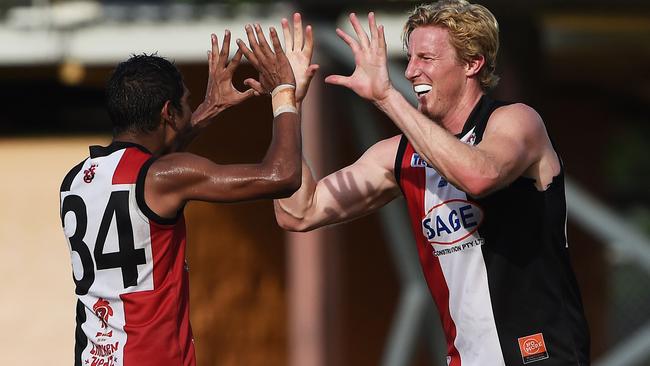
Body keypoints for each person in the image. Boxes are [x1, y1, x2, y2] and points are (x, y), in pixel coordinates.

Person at [274, 2, 590, 365]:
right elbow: (298, 212)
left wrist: (386, 97)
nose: (410, 71)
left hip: (541, 355)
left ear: (473, 64)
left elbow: (479, 175)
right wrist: (287, 105)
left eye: (426, 58)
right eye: (409, 58)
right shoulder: (399, 155)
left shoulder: (516, 121)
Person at [59, 25, 300, 366]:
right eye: (187, 104)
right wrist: (284, 91)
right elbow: (283, 175)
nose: (192, 110)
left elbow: (150, 171)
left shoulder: (76, 181)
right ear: (167, 112)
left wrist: (209, 109)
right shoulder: (162, 177)